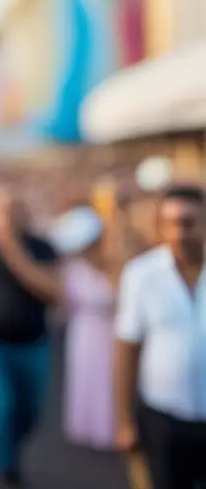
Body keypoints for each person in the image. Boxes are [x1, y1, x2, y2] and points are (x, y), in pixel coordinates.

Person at [114, 185, 206, 489]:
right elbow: (127, 349)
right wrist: (124, 420)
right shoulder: (141, 274)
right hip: (163, 417)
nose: (179, 233)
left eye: (188, 223)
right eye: (169, 223)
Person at [0, 185, 61, 488]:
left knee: (31, 411)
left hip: (33, 344)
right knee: (2, 406)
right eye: (2, 210)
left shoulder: (42, 247)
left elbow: (55, 293)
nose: (8, 217)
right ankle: (6, 465)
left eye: (14, 209)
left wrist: (14, 253)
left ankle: (14, 443)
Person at [52, 205, 116, 450]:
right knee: (86, 375)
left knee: (109, 378)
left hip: (109, 332)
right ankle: (87, 425)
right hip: (85, 332)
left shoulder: (113, 267)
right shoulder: (72, 271)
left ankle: (108, 427)